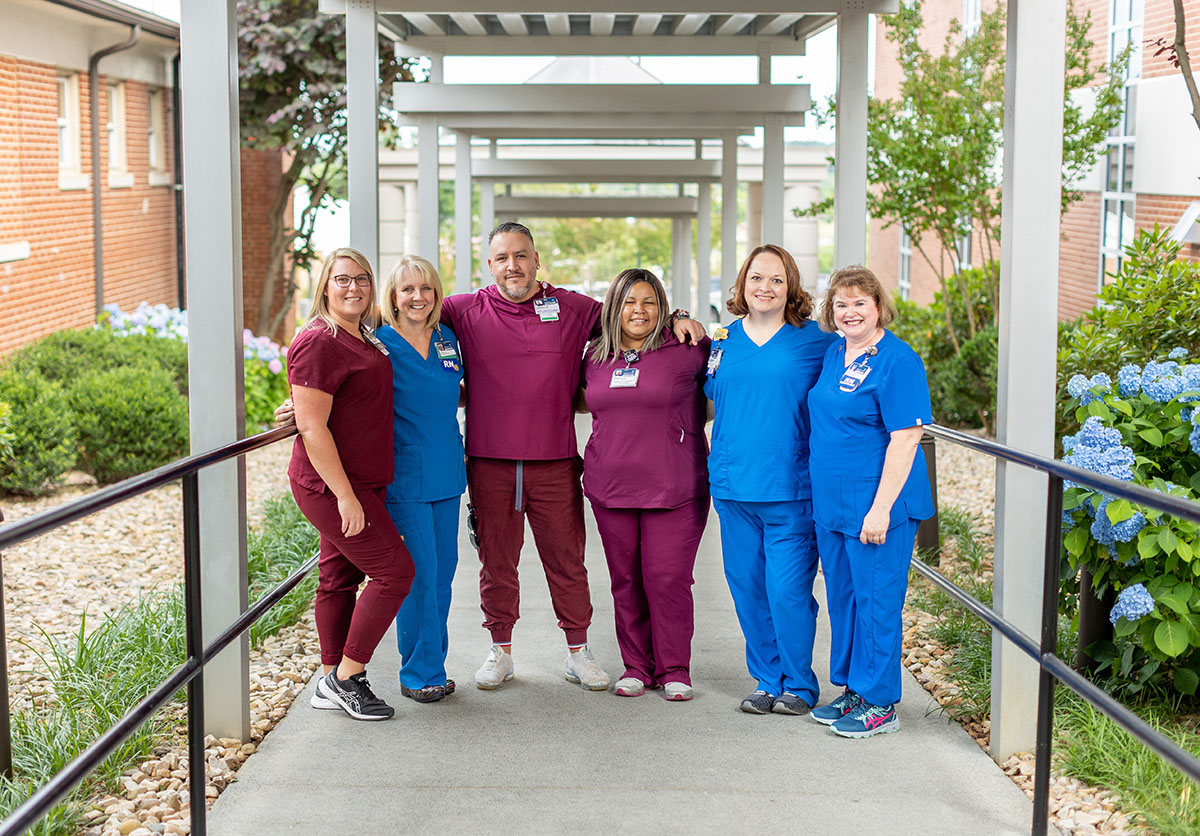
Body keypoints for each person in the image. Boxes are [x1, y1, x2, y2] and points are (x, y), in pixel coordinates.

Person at [440, 222, 707, 691]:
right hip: (490, 461)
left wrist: (680, 314)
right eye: (502, 258)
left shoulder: (570, 307)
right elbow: (405, 317)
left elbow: (634, 309)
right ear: (489, 265)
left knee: (567, 561)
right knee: (497, 563)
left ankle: (577, 653)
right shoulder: (463, 310)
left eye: (521, 256)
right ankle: (499, 650)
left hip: (555, 460)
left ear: (536, 259)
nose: (512, 266)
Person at [703, 244, 836, 716]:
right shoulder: (721, 341)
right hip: (734, 486)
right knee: (748, 588)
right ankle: (766, 679)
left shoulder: (817, 341)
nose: (765, 287)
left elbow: (862, 361)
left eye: (777, 280)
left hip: (790, 489)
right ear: (741, 285)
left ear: (791, 288)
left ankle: (799, 685)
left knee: (787, 590)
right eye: (757, 278)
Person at [288, 247, 415, 721]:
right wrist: (345, 495)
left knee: (339, 577)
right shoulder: (319, 340)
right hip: (332, 485)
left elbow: (329, 402)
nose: (354, 287)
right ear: (325, 285)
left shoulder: (362, 335)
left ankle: (331, 679)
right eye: (343, 279)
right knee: (395, 572)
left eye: (362, 279)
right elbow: (313, 427)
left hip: (366, 478)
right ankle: (346, 677)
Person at [807, 265, 934, 739]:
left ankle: (880, 702)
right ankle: (855, 689)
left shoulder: (898, 360)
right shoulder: (834, 353)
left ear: (879, 306)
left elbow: (906, 437)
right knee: (845, 601)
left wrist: (880, 508)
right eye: (841, 303)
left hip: (877, 504)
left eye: (860, 302)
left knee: (877, 602)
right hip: (834, 505)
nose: (850, 311)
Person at [580, 269, 711, 701]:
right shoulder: (595, 356)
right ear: (613, 309)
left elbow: (713, 400)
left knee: (668, 577)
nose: (639, 311)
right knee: (625, 579)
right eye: (630, 302)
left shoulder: (688, 349)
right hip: (610, 485)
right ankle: (636, 665)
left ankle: (674, 668)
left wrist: (684, 317)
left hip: (674, 485)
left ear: (663, 308)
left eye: (650, 302)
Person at [374, 255, 465, 704]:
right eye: (407, 289)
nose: (417, 297)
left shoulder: (448, 338)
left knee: (443, 577)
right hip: (405, 478)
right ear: (393, 296)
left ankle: (434, 664)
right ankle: (417, 673)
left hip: (448, 472)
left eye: (425, 288)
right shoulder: (379, 344)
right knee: (419, 576)